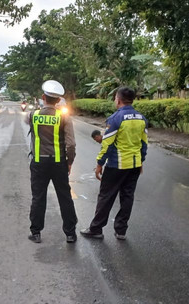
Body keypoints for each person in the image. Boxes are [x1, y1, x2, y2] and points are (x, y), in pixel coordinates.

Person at [80, 87, 148, 240]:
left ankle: (96, 228)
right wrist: (141, 160)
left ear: (118, 99)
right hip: (134, 165)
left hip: (117, 165)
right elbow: (144, 144)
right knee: (127, 196)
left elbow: (107, 144)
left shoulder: (116, 118)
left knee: (106, 196)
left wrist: (99, 164)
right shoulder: (141, 118)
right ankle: (121, 231)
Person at [25, 80, 78, 244]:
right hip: (58, 163)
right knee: (65, 197)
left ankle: (36, 232)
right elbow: (71, 144)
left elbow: (28, 121)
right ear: (58, 101)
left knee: (38, 197)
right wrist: (69, 162)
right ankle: (70, 233)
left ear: (43, 97)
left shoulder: (33, 115)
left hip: (39, 163)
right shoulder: (64, 117)